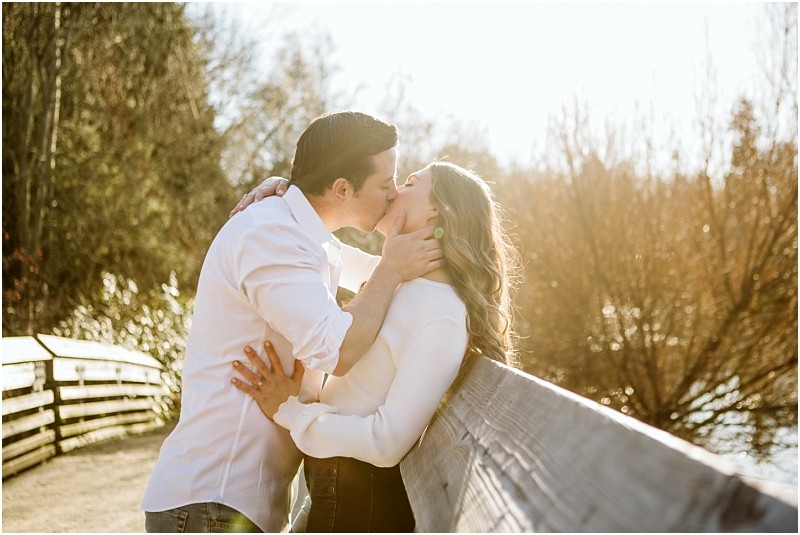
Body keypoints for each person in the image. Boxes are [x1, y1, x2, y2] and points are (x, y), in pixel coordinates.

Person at [141, 111, 444, 533]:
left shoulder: (306, 237)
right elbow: (338, 350)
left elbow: (383, 273)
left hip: (229, 506)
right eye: (385, 183)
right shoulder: (270, 235)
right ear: (342, 188)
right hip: (211, 502)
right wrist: (393, 267)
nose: (392, 194)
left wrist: (415, 255)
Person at [231, 161, 519, 532]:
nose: (395, 190)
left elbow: (387, 443)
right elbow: (325, 251)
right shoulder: (399, 282)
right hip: (337, 485)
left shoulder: (442, 314)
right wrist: (290, 192)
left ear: (437, 210)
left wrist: (289, 412)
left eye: (410, 183)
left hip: (361, 500)